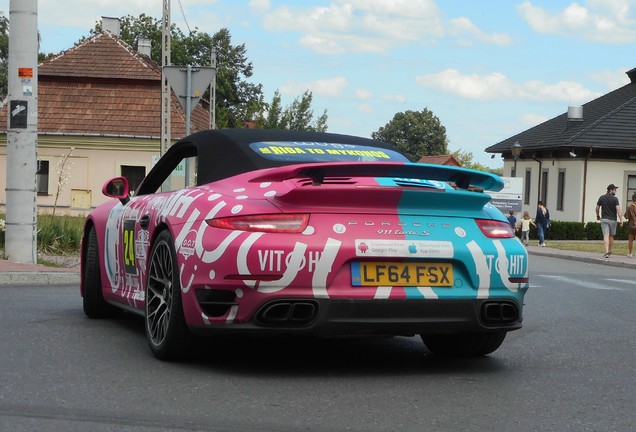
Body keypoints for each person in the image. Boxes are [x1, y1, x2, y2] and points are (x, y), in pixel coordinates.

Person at [596, 183, 624, 259]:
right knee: (611, 236)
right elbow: (618, 209)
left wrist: (598, 215)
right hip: (613, 220)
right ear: (611, 190)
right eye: (615, 190)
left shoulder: (601, 198)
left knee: (606, 235)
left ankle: (606, 251)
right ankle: (610, 250)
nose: (616, 191)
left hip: (604, 219)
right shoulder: (615, 199)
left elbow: (597, 207)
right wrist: (621, 220)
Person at [624, 192, 636, 258]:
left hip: (631, 225)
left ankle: (630, 253)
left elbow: (626, 216)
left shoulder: (629, 207)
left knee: (630, 240)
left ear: (632, 199)